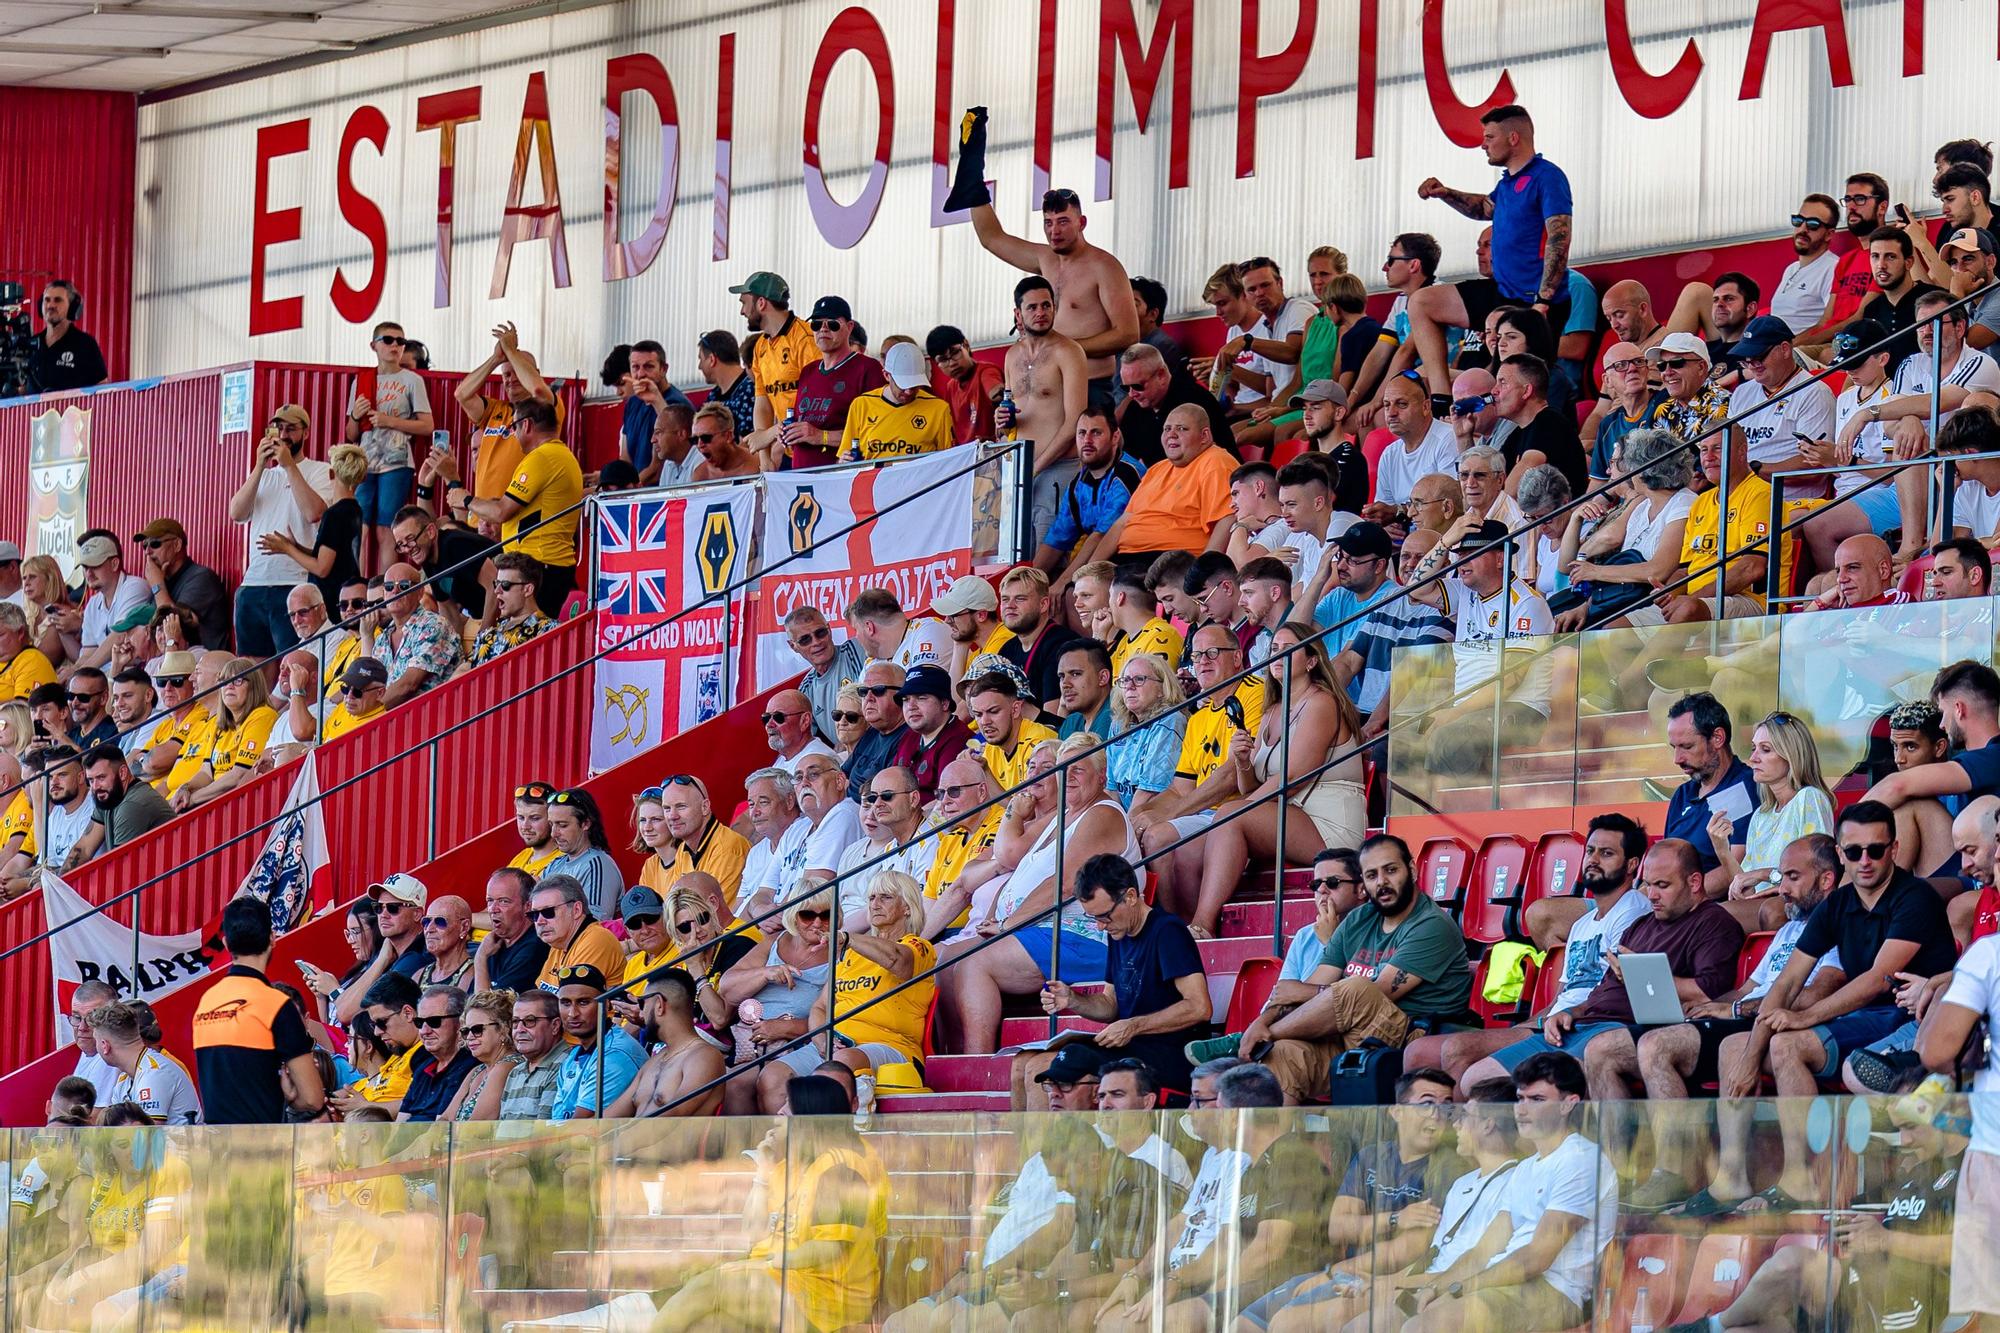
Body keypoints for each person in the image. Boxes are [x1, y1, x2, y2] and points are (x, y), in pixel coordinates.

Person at [1702, 801, 1957, 1213]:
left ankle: (1802, 1179)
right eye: (1854, 852)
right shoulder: (1836, 906)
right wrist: (1751, 1054)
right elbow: (1787, 981)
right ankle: (1730, 1177)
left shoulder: (1915, 898)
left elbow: (1878, 979)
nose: (1865, 861)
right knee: (1734, 1049)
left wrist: (1801, 1018)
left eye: (1876, 850)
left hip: (1910, 1014)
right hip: (1862, 1019)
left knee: (1787, 1044)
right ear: (1840, 855)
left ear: (1894, 848)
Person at [1627, 833, 1846, 1206]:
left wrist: (1731, 1010)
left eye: (1792, 878)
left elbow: (1816, 993)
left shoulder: (1840, 927)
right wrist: (1711, 1007)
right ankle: (1682, 1174)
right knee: (1659, 1038)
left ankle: (1726, 1176)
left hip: (1782, 1027)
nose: (1783, 889)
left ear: (1826, 879)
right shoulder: (1790, 929)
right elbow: (1747, 989)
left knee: (1716, 1045)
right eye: (1781, 878)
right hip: (1747, 1019)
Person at [1462, 837, 1744, 1099]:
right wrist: (1570, 1012)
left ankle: (1602, 1150)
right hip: (1581, 1025)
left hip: (1625, 1028)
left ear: (1694, 882)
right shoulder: (1642, 925)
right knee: (1475, 1079)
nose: (1652, 895)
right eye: (1647, 885)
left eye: (1663, 885)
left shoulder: (1714, 924)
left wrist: (1640, 977)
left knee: (1556, 1080)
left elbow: (1707, 995)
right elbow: (1604, 989)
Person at [1409, 813, 1652, 1087]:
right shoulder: (1582, 924)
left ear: (1632, 864)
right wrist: (1528, 1026)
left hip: (1593, 1027)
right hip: (1558, 1026)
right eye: (1590, 851)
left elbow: (1615, 994)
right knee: (1464, 1062)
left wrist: (1568, 1015)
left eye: (1606, 853)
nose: (1593, 860)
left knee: (1476, 1076)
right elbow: (1563, 995)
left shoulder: (1634, 911)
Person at [937, 735, 1139, 1052]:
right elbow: (1010, 863)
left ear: (1101, 776)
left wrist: (1009, 924)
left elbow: (1066, 883)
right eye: (1063, 769)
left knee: (972, 963)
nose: (1068, 776)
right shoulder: (1061, 815)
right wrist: (995, 917)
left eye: (1079, 770)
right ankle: (954, 1056)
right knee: (947, 958)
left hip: (1088, 936)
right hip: (1042, 929)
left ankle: (975, 1062)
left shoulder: (1103, 812)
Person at [1235, 834, 1474, 1103]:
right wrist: (1261, 1022)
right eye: (1371, 875)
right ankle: (1281, 1143)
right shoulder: (1359, 919)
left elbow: (1377, 993)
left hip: (1406, 1032)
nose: (1381, 882)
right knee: (1283, 1054)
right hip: (1346, 1032)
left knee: (1356, 989)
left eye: (1391, 870)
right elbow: (1297, 990)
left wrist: (1272, 1029)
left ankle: (1253, 1040)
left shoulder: (1431, 925)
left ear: (1413, 870)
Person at [1095, 1063, 1328, 1333]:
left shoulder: (1290, 1157)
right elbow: (1229, 1241)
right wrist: (1167, 1279)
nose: (1212, 1114)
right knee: (1113, 1320)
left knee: (1168, 1321)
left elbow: (1268, 1251)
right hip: (1237, 1281)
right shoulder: (1255, 1167)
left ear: (1235, 1117)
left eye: (1220, 1108)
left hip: (1279, 1282)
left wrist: (1204, 1293)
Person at [1397, 1052, 1615, 1332]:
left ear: (1568, 1104)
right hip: (1506, 1281)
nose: (1521, 1110)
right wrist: (1437, 1287)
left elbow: (1536, 1258)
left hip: (1554, 1291)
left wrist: (1459, 1288)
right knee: (1393, 1321)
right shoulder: (1525, 1168)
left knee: (1426, 1326)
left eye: (1537, 1100)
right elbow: (1484, 1250)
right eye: (1520, 1098)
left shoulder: (1582, 1159)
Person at [1184, 624, 1363, 938]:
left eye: (1288, 648)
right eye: (1274, 649)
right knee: (1189, 847)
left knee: (1228, 816)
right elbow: (1251, 788)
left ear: (1311, 661)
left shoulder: (1321, 702)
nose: (1278, 655)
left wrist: (1241, 808)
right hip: (1290, 815)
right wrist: (1242, 763)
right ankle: (1184, 929)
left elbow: (1293, 777)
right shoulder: (1272, 711)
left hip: (1329, 821)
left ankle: (1202, 924)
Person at [1407, 105, 1573, 397]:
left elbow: (1559, 238)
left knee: (1519, 383)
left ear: (1512, 138)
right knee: (1421, 302)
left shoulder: (1547, 177)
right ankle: (1441, 396)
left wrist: (1543, 301)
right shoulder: (1507, 183)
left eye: (1489, 137)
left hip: (1533, 302)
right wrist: (1445, 193)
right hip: (1502, 292)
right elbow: (1484, 208)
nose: (1483, 144)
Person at [1029, 853, 1211, 1095]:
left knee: (1048, 1067)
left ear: (1131, 897)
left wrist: (1134, 1026)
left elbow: (1200, 1007)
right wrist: (1073, 1000)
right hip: (1133, 1048)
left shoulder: (1168, 932)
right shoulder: (1119, 932)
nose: (1100, 926)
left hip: (1171, 1053)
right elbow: (1110, 1004)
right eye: (1094, 918)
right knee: (1025, 1064)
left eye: (1105, 916)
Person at [762, 869, 936, 1113]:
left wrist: (847, 938)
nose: (875, 904)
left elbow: (897, 961)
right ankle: (786, 1144)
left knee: (842, 1065)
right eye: (871, 898)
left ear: (907, 907)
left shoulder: (918, 946)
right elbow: (820, 1006)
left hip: (891, 1045)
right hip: (837, 1046)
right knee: (773, 1075)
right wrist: (822, 1040)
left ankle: (828, 1143)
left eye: (885, 897)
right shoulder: (850, 954)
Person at [968, 178, 1138, 393]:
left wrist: (1064, 349)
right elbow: (991, 238)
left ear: (1082, 223)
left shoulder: (1104, 266)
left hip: (1091, 384)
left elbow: (1128, 334)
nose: (1054, 231)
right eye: (1048, 222)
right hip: (1050, 385)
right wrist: (973, 186)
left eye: (1063, 221)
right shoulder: (1044, 258)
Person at [193, 898, 325, 1123]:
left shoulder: (205, 1004)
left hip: (215, 1149)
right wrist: (291, 1098)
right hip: (263, 1148)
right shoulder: (276, 1005)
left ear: (226, 944)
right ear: (272, 939)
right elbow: (313, 1099)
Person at [230, 404, 336, 657]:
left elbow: (314, 513)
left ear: (305, 433)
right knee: (253, 664)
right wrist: (259, 466)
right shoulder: (264, 476)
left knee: (294, 659)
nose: (283, 435)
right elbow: (236, 513)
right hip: (254, 582)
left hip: (294, 580)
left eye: (291, 429)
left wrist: (290, 466)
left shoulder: (320, 470)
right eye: (278, 429)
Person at [717, 885, 835, 1113]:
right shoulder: (774, 941)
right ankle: (746, 1147)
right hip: (752, 1042)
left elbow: (839, 1013)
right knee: (733, 1083)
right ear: (793, 915)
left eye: (826, 915)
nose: (818, 923)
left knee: (763, 1079)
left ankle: (776, 1144)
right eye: (808, 915)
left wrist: (787, 1028)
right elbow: (727, 986)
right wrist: (765, 973)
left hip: (803, 1041)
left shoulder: (839, 951)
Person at [1708, 711, 1835, 910]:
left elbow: (1817, 873)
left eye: (1765, 749)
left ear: (1791, 756)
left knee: (1712, 917)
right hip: (1761, 910)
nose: (1753, 758)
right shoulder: (1761, 815)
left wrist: (1764, 874)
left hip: (1798, 910)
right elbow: (1746, 893)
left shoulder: (1809, 798)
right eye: (1753, 748)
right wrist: (1722, 850)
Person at [998, 275, 1090, 532]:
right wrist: (1003, 420)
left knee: (1046, 556)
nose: (1041, 312)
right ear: (1018, 313)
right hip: (1019, 469)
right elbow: (1010, 411)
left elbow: (1075, 421)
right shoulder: (1011, 355)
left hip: (1057, 468)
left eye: (1046, 305)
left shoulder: (1068, 351)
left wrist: (1035, 469)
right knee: (1016, 558)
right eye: (1032, 307)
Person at [343, 320, 433, 573]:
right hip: (364, 464)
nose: (396, 346)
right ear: (374, 345)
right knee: (359, 528)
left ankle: (382, 590)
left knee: (386, 528)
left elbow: (427, 426)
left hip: (397, 462)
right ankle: (358, 588)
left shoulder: (412, 381)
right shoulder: (361, 381)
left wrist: (388, 421)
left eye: (400, 341)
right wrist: (355, 416)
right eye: (389, 340)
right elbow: (352, 435)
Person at [1868, 659, 2000, 807]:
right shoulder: (1972, 767)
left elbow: (1897, 785)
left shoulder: (1995, 756)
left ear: (1959, 709)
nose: (1942, 725)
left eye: (1943, 713)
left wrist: (1847, 823)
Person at [1037, 406, 1144, 587]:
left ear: (1115, 437)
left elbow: (1101, 536)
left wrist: (1063, 583)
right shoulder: (1078, 484)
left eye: (1096, 433)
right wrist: (1030, 580)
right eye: (1081, 433)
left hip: (1134, 563)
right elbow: (1057, 539)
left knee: (1070, 596)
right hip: (1099, 563)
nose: (1087, 440)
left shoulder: (1127, 473)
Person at [606, 968, 728, 1118]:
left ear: (659, 1004)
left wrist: (618, 1139)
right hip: (630, 1139)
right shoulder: (653, 1062)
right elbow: (606, 1119)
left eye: (642, 1003)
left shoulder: (704, 1057)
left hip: (666, 1141)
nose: (641, 1013)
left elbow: (670, 1119)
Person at [782, 296, 884, 469]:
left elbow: (876, 433)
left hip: (841, 477)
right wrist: (786, 433)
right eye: (816, 324)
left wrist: (821, 436)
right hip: (801, 477)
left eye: (832, 324)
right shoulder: (808, 371)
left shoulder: (868, 368)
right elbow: (803, 424)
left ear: (849, 327)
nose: (823, 329)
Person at [833, 767, 936, 931]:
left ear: (913, 799)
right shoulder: (890, 849)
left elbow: (921, 912)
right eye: (873, 798)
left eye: (887, 796)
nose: (877, 805)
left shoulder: (932, 840)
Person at [546, 962, 648, 1119]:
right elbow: (558, 1119)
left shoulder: (615, 1054)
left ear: (606, 1004)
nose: (573, 1013)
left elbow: (583, 1125)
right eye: (565, 1003)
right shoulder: (573, 1056)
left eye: (583, 1002)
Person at [640, 774, 752, 907]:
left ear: (705, 807)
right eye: (667, 809)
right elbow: (677, 907)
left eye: (681, 806)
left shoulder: (727, 847)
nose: (672, 816)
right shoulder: (683, 849)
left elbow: (714, 915)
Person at [84, 999, 201, 1126]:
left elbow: (146, 1138)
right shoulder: (125, 1078)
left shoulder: (154, 1074)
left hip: (182, 1145)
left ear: (104, 1046)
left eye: (96, 1041)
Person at [357, 562, 459, 703]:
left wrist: (374, 712)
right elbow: (366, 681)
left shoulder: (433, 626)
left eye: (404, 586)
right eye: (389, 587)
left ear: (420, 592)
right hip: (388, 717)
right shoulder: (382, 638)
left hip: (429, 714)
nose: (395, 591)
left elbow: (408, 686)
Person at [388, 504, 498, 635]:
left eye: (411, 539)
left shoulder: (456, 544)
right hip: (479, 620)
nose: (407, 549)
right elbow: (449, 612)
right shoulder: (427, 558)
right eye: (401, 545)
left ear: (430, 531)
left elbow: (495, 584)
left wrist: (485, 636)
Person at [838, 343, 954, 461]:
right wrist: (844, 462)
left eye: (914, 385)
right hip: (873, 478)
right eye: (903, 385)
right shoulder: (861, 405)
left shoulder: (939, 409)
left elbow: (949, 461)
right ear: (887, 375)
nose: (908, 391)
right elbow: (844, 460)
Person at [887, 664, 973, 800]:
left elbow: (946, 801)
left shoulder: (959, 739)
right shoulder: (909, 735)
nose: (910, 706)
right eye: (906, 699)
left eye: (921, 698)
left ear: (944, 703)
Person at [395, 984, 478, 1123]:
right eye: (420, 1022)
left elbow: (442, 1130)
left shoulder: (470, 1065)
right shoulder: (422, 1068)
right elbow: (400, 1123)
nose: (424, 1031)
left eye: (434, 1021)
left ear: (461, 1022)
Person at [71, 534, 151, 675]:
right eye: (85, 567)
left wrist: (81, 674)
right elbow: (88, 653)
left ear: (114, 564)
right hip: (104, 679)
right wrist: (73, 672)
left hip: (130, 675)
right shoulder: (92, 603)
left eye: (95, 565)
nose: (88, 573)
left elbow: (119, 636)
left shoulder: (134, 586)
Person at [542, 787, 625, 923]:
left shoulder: (598, 865)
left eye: (562, 825)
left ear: (586, 823)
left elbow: (595, 924)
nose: (553, 834)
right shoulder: (553, 865)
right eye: (551, 825)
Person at [530, 875, 626, 990]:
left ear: (576, 910)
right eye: (534, 914)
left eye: (548, 912)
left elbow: (572, 1003)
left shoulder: (596, 939)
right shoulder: (559, 942)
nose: (540, 921)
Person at [787, 605, 865, 746]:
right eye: (805, 640)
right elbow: (808, 743)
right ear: (793, 646)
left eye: (820, 633)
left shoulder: (856, 651)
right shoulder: (806, 689)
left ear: (829, 630)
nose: (816, 642)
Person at [488, 988, 565, 1121]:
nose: (519, 1030)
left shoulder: (566, 1064)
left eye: (530, 1021)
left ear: (555, 1026)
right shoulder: (515, 1072)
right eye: (516, 1022)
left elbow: (544, 1134)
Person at [927, 324, 1004, 443]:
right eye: (943, 359)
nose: (952, 363)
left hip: (990, 453)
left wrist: (1002, 395)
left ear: (966, 345)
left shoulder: (986, 372)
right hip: (965, 456)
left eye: (955, 353)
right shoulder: (951, 387)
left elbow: (998, 392)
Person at [27, 279, 105, 392]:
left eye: (58, 300)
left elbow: (101, 387)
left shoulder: (85, 344)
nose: (51, 305)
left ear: (72, 307)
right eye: (47, 300)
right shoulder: (31, 344)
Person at [1052, 637, 1114, 738]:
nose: (1065, 684)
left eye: (1076, 674)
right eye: (1062, 676)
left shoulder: (1117, 717)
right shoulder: (1070, 723)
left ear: (1103, 677)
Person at [688, 402, 761, 481]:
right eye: (695, 440)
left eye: (706, 438)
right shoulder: (701, 475)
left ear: (728, 436)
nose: (699, 445)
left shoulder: (757, 465)